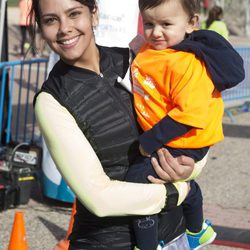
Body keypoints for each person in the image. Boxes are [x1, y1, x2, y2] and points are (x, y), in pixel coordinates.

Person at [30, 0, 209, 249]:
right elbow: (99, 198)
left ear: (94, 15)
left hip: (175, 237)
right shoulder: (51, 101)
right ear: (41, 27)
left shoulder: (137, 58)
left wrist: (191, 169)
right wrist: (179, 191)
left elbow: (196, 122)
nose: (64, 28)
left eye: (74, 14)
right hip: (109, 241)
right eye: (51, 20)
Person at [124, 0, 245, 249]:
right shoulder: (153, 49)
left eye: (166, 24)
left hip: (185, 137)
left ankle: (146, 245)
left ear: (191, 24)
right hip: (171, 136)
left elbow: (189, 115)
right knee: (178, 184)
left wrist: (148, 142)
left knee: (138, 180)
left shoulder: (187, 64)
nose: (156, 32)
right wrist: (137, 49)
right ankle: (196, 230)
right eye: (149, 24)